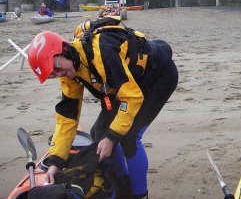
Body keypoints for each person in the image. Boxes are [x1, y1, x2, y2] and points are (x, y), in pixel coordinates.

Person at [27, 18, 179, 199]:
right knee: (99, 133)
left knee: (128, 136)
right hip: (125, 85)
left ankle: (140, 195)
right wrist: (56, 161)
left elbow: (132, 98)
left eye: (56, 67)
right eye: (53, 74)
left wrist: (113, 136)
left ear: (62, 49)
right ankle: (122, 186)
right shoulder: (69, 74)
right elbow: (67, 120)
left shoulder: (102, 52)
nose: (58, 74)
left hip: (158, 76)